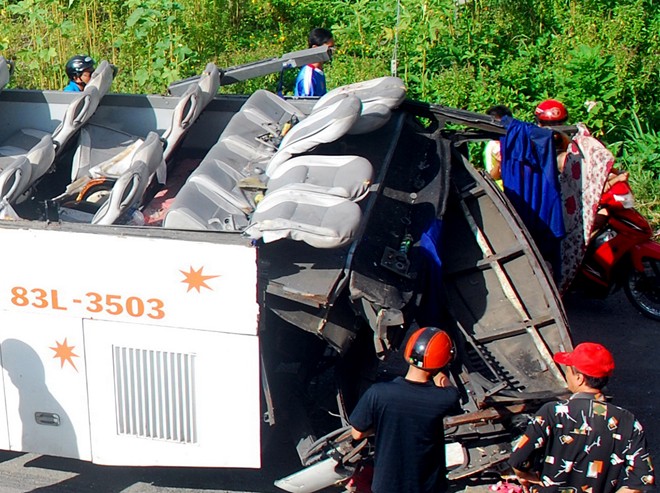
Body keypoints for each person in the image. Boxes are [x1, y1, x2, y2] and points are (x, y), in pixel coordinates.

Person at [509, 342, 655, 492]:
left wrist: (526, 476)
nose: (566, 376)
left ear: (579, 378)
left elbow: (518, 459)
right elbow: (641, 479)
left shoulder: (552, 412)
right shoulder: (627, 421)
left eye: (568, 371)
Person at [349, 327, 460, 493]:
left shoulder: (378, 393)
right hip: (428, 487)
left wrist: (384, 424)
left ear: (407, 354)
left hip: (387, 486)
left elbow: (356, 434)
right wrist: (438, 370)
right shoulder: (444, 399)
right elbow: (447, 385)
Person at [294, 28, 334, 97]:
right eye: (329, 48)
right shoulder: (309, 76)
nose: (333, 52)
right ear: (315, 48)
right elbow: (306, 104)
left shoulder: (318, 70)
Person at [484, 105, 513, 189]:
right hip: (504, 190)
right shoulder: (491, 146)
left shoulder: (517, 139)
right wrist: (498, 163)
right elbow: (492, 176)